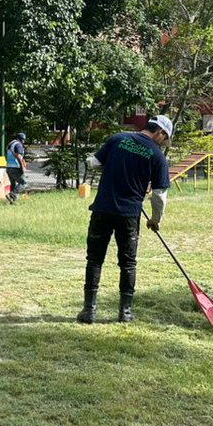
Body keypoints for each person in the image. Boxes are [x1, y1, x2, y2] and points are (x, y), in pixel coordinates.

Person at [78, 115, 173, 324]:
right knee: (128, 263)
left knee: (94, 259)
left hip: (102, 209)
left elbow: (93, 163)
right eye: (164, 140)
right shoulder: (157, 156)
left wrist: (111, 165)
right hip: (129, 215)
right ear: (160, 132)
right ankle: (125, 313)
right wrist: (155, 219)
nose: (163, 144)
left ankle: (88, 311)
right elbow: (159, 195)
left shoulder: (117, 139)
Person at [5, 131, 28, 204]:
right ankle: (11, 194)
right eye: (23, 140)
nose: (24, 141)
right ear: (21, 139)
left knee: (13, 184)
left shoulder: (10, 144)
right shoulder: (18, 145)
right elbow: (19, 156)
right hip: (16, 167)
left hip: (8, 167)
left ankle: (12, 201)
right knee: (24, 183)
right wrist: (22, 167)